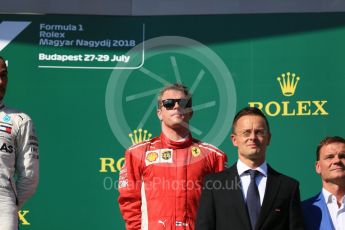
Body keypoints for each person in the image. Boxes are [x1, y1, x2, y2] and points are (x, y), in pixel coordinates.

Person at [118, 83, 227, 230]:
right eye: (168, 103)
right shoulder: (137, 153)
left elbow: (222, 206)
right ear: (159, 113)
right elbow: (129, 203)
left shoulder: (213, 156)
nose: (176, 107)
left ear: (190, 112)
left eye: (183, 103)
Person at [195, 106, 304, 230]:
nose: (252, 137)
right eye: (246, 132)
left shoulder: (288, 187)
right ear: (234, 140)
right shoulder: (213, 184)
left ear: (268, 138)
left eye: (259, 132)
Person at [0, 56, 39, 230]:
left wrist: (8, 202)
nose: (1, 82)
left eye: (4, 75)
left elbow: (29, 176)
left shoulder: (20, 120)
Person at [302, 136, 345, 230]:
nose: (337, 160)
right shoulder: (301, 211)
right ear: (318, 167)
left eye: (343, 156)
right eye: (330, 157)